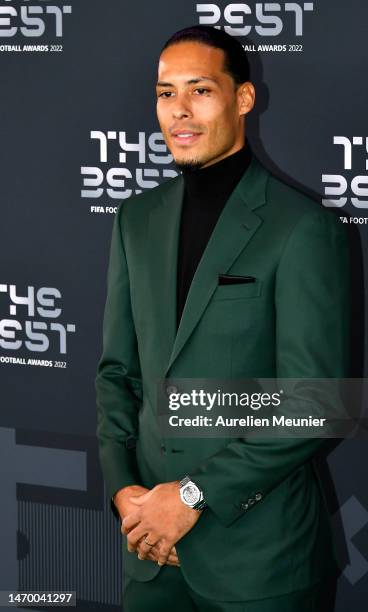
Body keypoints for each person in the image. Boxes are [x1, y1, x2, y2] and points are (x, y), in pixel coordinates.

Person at [95, 24, 350, 611]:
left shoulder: (304, 229)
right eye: (165, 93)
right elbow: (116, 372)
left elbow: (315, 401)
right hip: (150, 555)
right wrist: (127, 494)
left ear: (242, 99)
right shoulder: (135, 220)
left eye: (199, 91)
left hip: (260, 563)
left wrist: (189, 497)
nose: (178, 112)